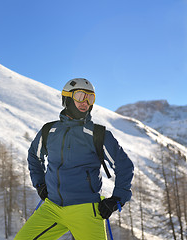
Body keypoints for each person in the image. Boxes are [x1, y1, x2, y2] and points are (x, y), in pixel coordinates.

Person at [15, 78, 134, 240]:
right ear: (67, 98)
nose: (85, 102)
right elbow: (34, 157)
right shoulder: (49, 131)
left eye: (90, 98)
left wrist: (117, 199)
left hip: (85, 209)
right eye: (80, 96)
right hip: (52, 207)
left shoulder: (99, 134)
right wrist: (40, 184)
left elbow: (124, 166)